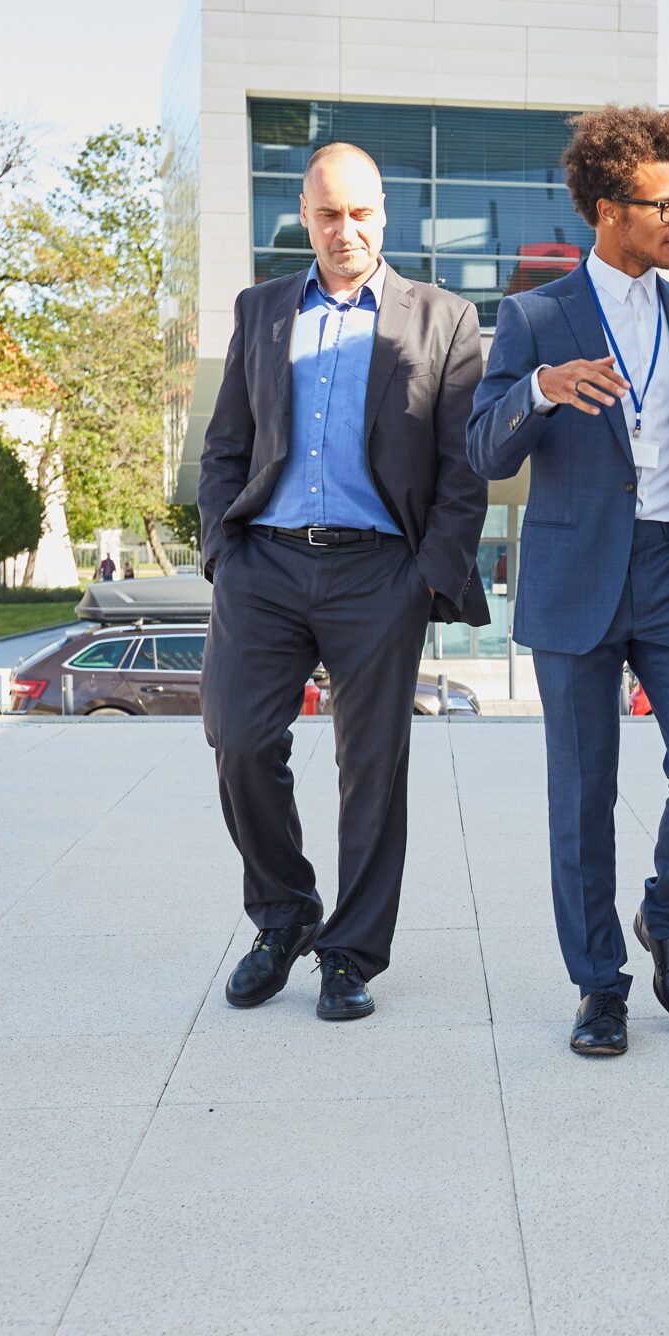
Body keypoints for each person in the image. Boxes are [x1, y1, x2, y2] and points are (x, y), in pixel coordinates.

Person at [467, 106, 669, 1058]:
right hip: (578, 569)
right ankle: (599, 985)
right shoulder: (535, 315)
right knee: (582, 796)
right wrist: (541, 388)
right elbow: (481, 444)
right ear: (605, 207)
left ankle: (666, 920)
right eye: (662, 205)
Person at [195, 141, 490, 1023]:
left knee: (371, 769)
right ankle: (284, 914)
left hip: (378, 572)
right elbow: (224, 449)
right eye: (328, 213)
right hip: (268, 565)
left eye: (360, 212)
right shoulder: (262, 310)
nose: (344, 229)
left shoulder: (443, 319)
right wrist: (223, 550)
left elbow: (463, 471)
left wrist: (426, 579)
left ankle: (350, 953)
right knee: (239, 738)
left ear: (384, 215)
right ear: (306, 218)